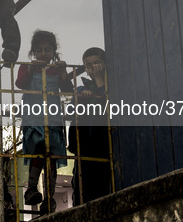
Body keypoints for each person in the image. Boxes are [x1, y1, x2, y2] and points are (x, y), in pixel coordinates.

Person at [15, 30, 72, 216]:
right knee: (38, 147)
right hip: (34, 115)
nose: (43, 54)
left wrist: (63, 71)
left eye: (47, 50)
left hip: (53, 117)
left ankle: (50, 199)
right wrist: (32, 69)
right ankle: (31, 189)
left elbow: (66, 89)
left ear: (54, 51)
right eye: (39, 50)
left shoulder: (56, 69)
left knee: (52, 156)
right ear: (33, 52)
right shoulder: (27, 66)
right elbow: (20, 83)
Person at [67, 47, 111, 205]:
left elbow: (109, 108)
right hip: (85, 148)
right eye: (89, 66)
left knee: (105, 190)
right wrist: (80, 99)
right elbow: (70, 111)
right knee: (82, 191)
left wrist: (100, 81)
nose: (94, 69)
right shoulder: (81, 88)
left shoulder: (113, 87)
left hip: (105, 147)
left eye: (97, 63)